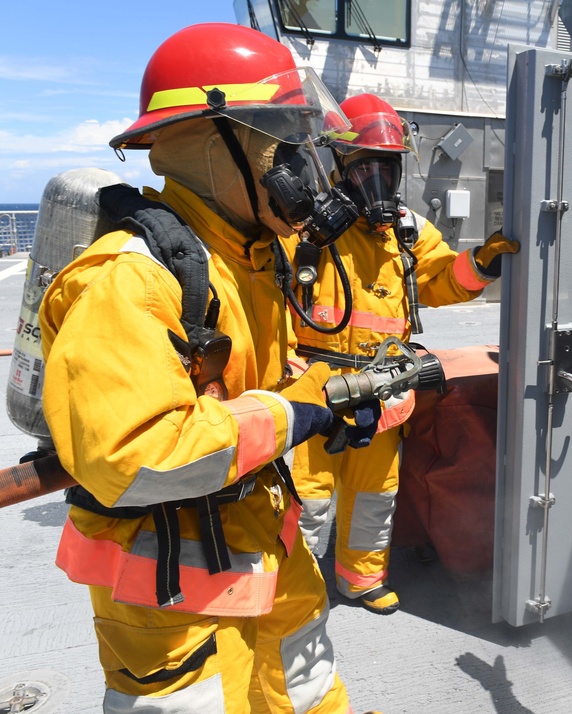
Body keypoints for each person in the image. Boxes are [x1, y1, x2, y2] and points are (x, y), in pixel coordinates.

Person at [39, 23, 378, 713]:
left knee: (306, 691)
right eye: (278, 140)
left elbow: (254, 390)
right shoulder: (130, 280)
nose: (295, 165)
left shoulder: (245, 258)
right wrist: (296, 415)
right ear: (210, 141)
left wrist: (326, 402)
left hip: (261, 547)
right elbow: (136, 455)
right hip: (172, 596)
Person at [280, 92, 519, 615]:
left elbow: (439, 279)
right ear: (340, 164)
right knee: (308, 499)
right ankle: (290, 591)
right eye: (367, 166)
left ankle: (360, 579)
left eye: (387, 167)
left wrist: (480, 262)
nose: (379, 180)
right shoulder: (303, 229)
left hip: (383, 386)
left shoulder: (407, 231)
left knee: (375, 494)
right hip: (314, 385)